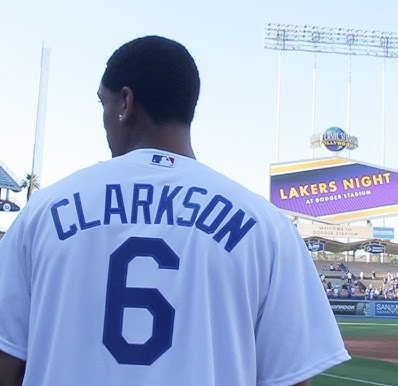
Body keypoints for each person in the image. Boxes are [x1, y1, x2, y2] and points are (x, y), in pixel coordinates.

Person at [0, 35, 349, 386]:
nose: (105, 120)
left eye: (103, 104)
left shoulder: (41, 213)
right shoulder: (268, 227)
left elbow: (7, 361)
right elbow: (289, 379)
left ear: (125, 102)